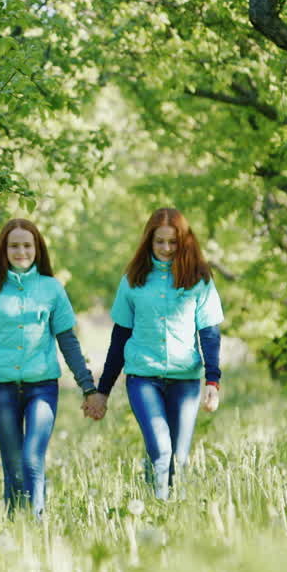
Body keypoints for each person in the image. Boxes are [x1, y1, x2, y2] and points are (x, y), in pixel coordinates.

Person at [83, 207, 223, 500]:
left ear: (184, 242)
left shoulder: (199, 280)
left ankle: (175, 516)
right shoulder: (133, 280)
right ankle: (158, 507)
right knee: (161, 449)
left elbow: (209, 334)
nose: (166, 248)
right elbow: (119, 337)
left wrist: (212, 382)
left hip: (185, 380)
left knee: (179, 458)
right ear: (149, 241)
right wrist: (102, 391)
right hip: (143, 378)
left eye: (173, 242)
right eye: (160, 242)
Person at [0, 218, 97, 517]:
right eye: (14, 245)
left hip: (42, 388)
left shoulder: (51, 289)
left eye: (27, 245)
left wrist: (87, 386)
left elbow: (68, 341)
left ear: (37, 249)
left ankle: (36, 523)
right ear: (3, 249)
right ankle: (15, 525)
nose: (21, 251)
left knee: (31, 459)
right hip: (1, 389)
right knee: (13, 465)